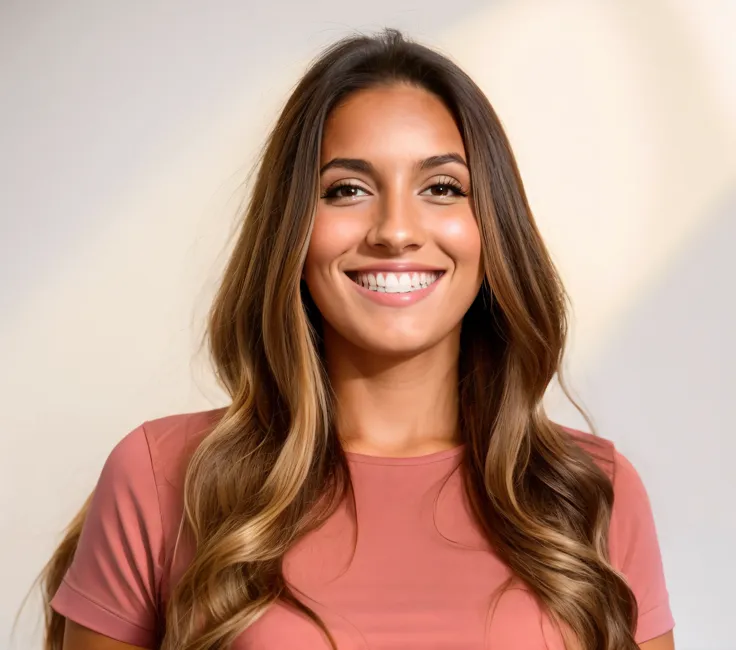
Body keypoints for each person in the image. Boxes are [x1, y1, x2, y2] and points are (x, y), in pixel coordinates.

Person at [40, 28, 675, 650]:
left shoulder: (590, 492)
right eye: (347, 190)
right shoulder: (163, 476)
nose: (396, 231)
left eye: (442, 188)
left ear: (491, 230)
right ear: (292, 229)